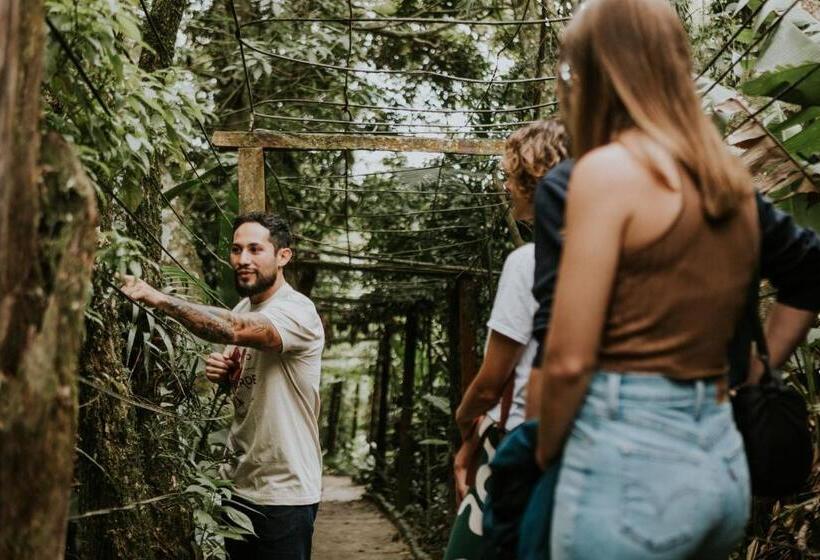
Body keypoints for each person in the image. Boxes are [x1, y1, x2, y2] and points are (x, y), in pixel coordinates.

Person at [534, 0, 809, 558]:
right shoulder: (724, 179)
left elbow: (567, 359)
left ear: (592, 72)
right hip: (720, 460)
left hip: (631, 464)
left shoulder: (606, 172)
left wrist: (543, 458)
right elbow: (812, 270)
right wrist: (761, 368)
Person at [122, 212, 324, 560]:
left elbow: (233, 329)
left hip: (284, 493)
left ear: (282, 256)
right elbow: (251, 370)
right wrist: (228, 374)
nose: (243, 259)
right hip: (238, 486)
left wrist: (160, 299)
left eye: (255, 249)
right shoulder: (243, 304)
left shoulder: (297, 310)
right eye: (236, 249)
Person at [443, 120, 569, 560]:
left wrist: (464, 424)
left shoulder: (529, 262)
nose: (506, 187)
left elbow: (492, 381)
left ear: (532, 181)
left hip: (519, 441)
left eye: (511, 176)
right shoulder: (617, 255)